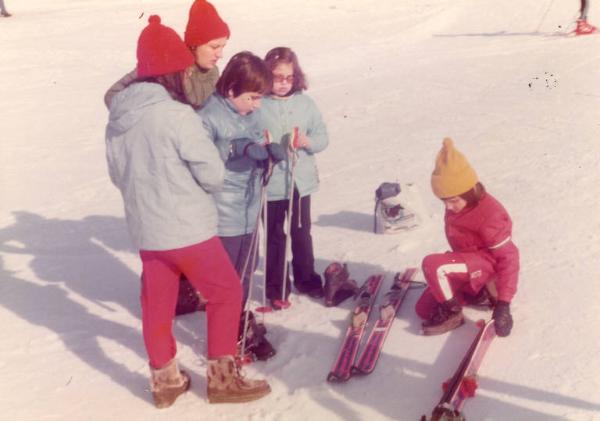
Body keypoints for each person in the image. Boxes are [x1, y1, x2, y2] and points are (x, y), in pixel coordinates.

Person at [105, 16, 270, 407]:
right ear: (170, 72)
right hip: (187, 228)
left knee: (157, 306)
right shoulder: (178, 116)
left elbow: (118, 175)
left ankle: (165, 383)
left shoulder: (118, 119)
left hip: (148, 231)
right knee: (226, 292)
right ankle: (223, 379)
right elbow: (212, 175)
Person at [198, 51, 285, 359]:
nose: (257, 105)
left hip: (249, 205)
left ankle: (238, 323)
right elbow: (200, 158)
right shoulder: (209, 115)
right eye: (252, 97)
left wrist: (269, 151)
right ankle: (224, 335)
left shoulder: (252, 112)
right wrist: (235, 149)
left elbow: (259, 137)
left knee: (247, 269)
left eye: (260, 98)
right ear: (232, 88)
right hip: (223, 211)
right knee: (228, 278)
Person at [415, 138, 519, 337]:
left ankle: (456, 311)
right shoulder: (459, 205)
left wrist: (504, 303)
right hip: (469, 263)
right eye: (443, 201)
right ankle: (477, 293)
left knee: (434, 265)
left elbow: (509, 257)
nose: (448, 207)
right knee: (423, 309)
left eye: (453, 201)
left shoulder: (490, 215)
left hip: (487, 266)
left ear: (469, 192)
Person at [259, 47, 329, 309]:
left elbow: (322, 137)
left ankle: (307, 279)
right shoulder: (259, 103)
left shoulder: (305, 103)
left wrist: (308, 141)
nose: (283, 84)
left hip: (300, 181)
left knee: (301, 232)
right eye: (277, 77)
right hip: (272, 184)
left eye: (288, 78)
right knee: (275, 236)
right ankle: (276, 288)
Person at [104, 0, 230, 109]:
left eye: (223, 47)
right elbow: (112, 96)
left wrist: (183, 75)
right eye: (214, 47)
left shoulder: (211, 73)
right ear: (194, 45)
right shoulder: (165, 62)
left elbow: (197, 98)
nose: (220, 54)